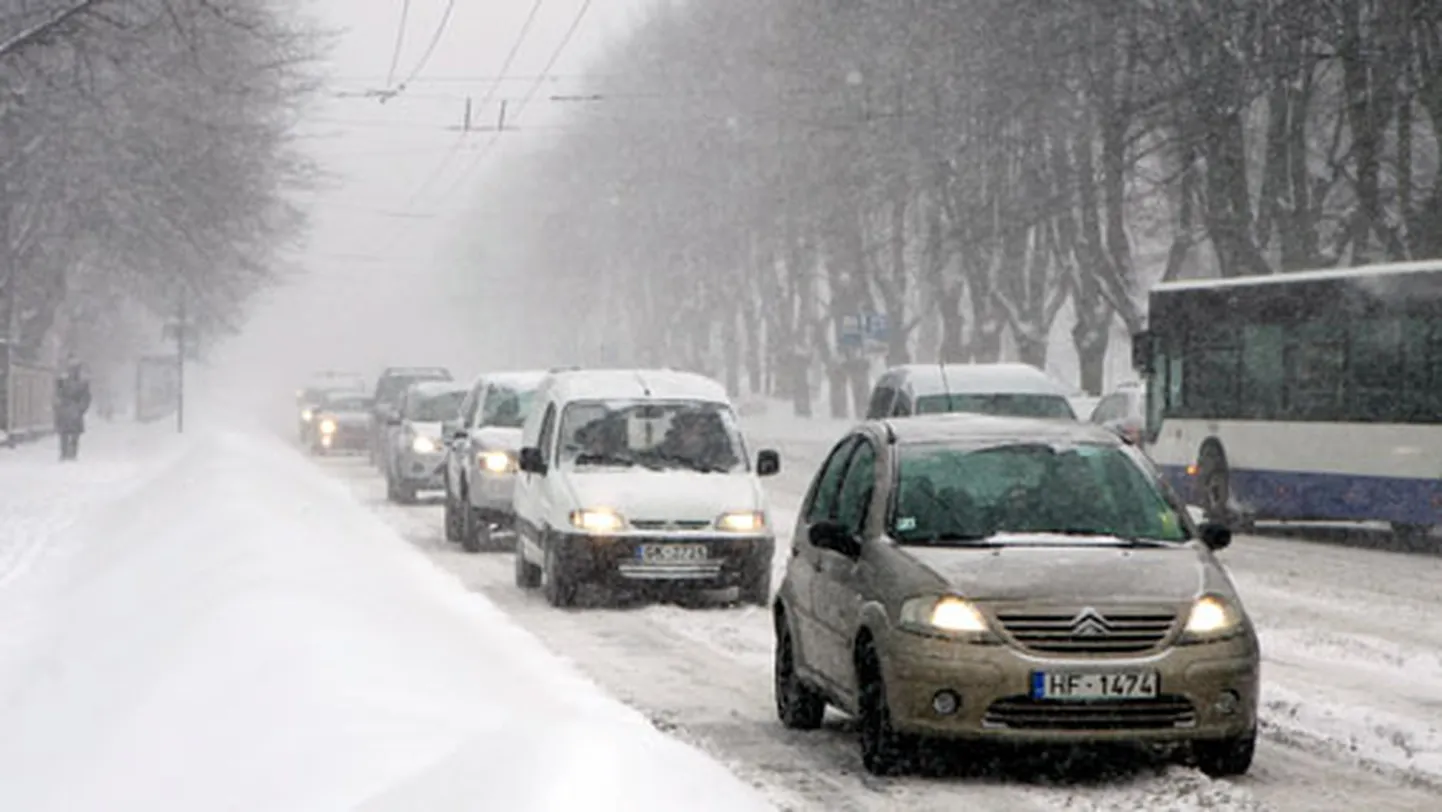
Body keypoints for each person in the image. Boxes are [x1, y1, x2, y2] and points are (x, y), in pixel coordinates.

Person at [54, 359, 92, 461]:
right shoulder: (62, 382)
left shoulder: (81, 383)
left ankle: (69, 453)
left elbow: (86, 398)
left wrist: (80, 408)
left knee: (71, 434)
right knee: (67, 434)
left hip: (71, 411)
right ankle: (66, 453)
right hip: (68, 411)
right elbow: (57, 395)